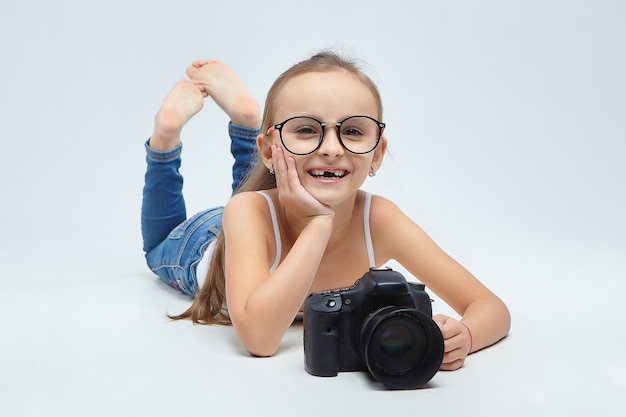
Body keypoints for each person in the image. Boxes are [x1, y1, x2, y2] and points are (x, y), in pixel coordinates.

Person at [141, 52, 511, 371]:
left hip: (268, 209)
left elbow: (491, 308)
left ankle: (245, 118)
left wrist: (467, 333)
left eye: (352, 131)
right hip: (201, 246)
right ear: (268, 148)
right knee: (158, 246)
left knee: (275, 178)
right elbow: (259, 339)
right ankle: (165, 141)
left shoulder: (380, 220)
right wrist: (319, 223)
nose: (332, 148)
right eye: (305, 129)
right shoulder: (246, 211)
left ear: (377, 154)